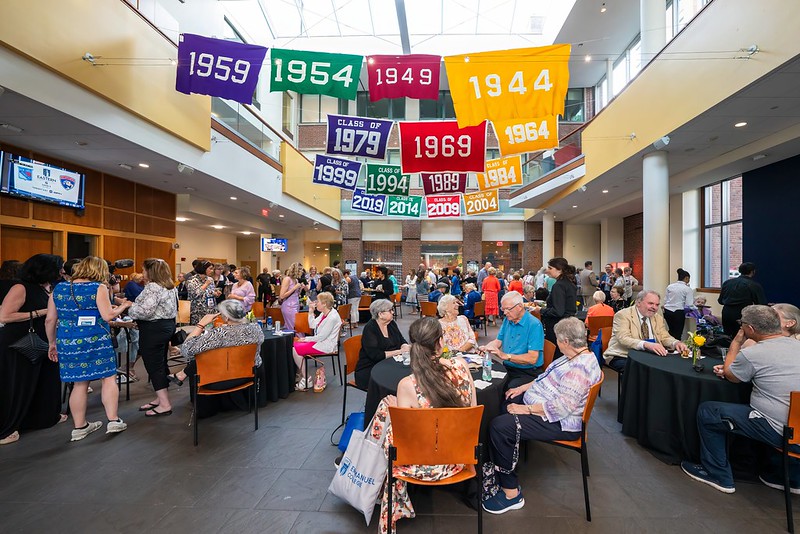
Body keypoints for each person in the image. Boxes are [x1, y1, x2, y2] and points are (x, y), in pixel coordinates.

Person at [365, 317, 476, 534]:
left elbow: (407, 435)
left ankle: (384, 492)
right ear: (440, 342)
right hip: (458, 458)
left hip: (419, 464)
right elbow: (471, 411)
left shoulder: (407, 385)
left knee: (387, 416)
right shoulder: (462, 367)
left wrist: (396, 407)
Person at [483, 317, 602, 514]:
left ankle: (511, 493)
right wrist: (522, 388)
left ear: (565, 341)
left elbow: (562, 407)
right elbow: (545, 377)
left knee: (499, 426)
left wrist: (525, 409)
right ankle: (503, 461)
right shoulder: (573, 356)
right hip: (545, 407)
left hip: (560, 422)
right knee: (503, 406)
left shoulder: (578, 369)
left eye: (557, 339)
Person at [681, 305, 800, 494]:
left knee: (710, 411)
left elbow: (730, 375)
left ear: (750, 329)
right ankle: (791, 479)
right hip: (796, 431)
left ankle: (718, 474)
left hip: (783, 433)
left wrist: (737, 341)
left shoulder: (754, 353)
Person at [46, 256, 131, 441]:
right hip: (95, 339)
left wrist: (52, 343)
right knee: (108, 378)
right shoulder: (97, 288)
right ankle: (113, 420)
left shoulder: (58, 289)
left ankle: (80, 427)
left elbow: (50, 319)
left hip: (67, 341)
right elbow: (108, 315)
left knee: (79, 383)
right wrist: (123, 306)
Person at [0, 254, 66, 446]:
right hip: (19, 343)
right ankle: (8, 428)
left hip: (40, 342)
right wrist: (42, 312)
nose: (61, 272)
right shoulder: (20, 288)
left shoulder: (44, 288)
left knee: (43, 380)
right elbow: (5, 316)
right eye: (58, 268)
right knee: (19, 385)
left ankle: (42, 417)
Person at [168, 300, 264, 396]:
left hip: (218, 380)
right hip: (248, 376)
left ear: (226, 317)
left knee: (204, 355)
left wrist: (201, 324)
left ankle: (181, 375)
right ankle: (181, 374)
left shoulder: (218, 334)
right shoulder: (256, 328)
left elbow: (186, 350)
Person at [126, 258, 179, 417]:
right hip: (167, 327)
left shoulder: (153, 288)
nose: (142, 273)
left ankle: (164, 404)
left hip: (153, 330)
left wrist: (129, 307)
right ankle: (160, 398)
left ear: (151, 271)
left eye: (143, 270)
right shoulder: (170, 286)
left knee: (153, 366)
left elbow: (144, 312)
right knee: (161, 363)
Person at [603, 290, 688, 373]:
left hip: (649, 355)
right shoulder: (622, 315)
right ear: (638, 303)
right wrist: (646, 345)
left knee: (673, 367)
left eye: (657, 305)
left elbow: (664, 337)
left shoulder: (658, 318)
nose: (654, 307)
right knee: (640, 371)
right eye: (650, 303)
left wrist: (676, 343)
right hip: (623, 355)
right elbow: (624, 338)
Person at [478, 291, 545, 389]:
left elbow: (532, 358)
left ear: (520, 307)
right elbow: (498, 341)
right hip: (508, 367)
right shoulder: (508, 320)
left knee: (505, 391)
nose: (505, 313)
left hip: (527, 371)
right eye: (503, 309)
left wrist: (505, 356)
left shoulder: (534, 324)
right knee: (487, 383)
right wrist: (487, 348)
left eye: (508, 309)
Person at [290, 292, 342, 390]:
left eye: (318, 301)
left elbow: (322, 336)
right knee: (294, 345)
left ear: (324, 304)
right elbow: (312, 325)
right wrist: (310, 311)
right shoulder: (324, 313)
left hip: (326, 345)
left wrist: (306, 339)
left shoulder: (332, 317)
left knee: (295, 350)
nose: (316, 303)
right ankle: (303, 375)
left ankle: (306, 378)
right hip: (320, 341)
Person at [354, 299, 409, 389]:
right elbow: (376, 355)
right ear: (380, 314)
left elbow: (401, 340)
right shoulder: (370, 328)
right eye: (390, 310)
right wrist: (400, 351)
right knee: (397, 378)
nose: (392, 312)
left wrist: (405, 347)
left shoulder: (391, 324)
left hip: (389, 362)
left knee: (407, 372)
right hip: (370, 368)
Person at [538, 257, 577, 358]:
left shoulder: (559, 285)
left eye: (550, 268)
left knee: (556, 356)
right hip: (567, 325)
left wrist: (541, 310)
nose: (548, 271)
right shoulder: (569, 283)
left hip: (558, 326)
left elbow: (558, 311)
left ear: (559, 269)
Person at [718, 262, 768, 337]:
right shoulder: (753, 285)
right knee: (741, 337)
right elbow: (761, 304)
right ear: (753, 271)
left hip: (726, 313)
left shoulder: (727, 283)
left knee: (727, 337)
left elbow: (720, 301)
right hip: (742, 314)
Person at [663, 268, 694, 339]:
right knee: (678, 333)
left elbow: (666, 300)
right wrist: (696, 308)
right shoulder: (687, 289)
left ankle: (668, 347)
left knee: (671, 331)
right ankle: (676, 348)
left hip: (667, 312)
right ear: (686, 278)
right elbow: (689, 304)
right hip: (678, 312)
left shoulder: (670, 286)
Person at [186, 261, 219, 325]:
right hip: (198, 313)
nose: (212, 271)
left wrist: (215, 293)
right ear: (203, 268)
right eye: (210, 269)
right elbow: (195, 294)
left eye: (213, 269)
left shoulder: (210, 279)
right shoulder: (191, 280)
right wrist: (206, 284)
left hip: (210, 311)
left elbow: (210, 292)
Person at [280, 262, 307, 332]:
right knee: (295, 327)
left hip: (295, 305)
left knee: (296, 326)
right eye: (300, 270)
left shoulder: (296, 280)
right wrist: (294, 288)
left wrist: (300, 289)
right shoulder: (287, 279)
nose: (302, 272)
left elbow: (295, 294)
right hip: (289, 306)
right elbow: (282, 295)